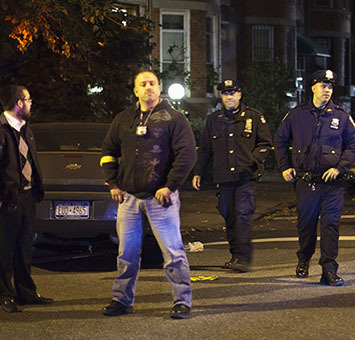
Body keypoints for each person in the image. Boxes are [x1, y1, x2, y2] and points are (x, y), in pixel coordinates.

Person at [100, 70, 196, 319]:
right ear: (135, 91)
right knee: (127, 253)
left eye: (152, 83)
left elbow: (187, 155)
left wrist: (170, 185)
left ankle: (182, 301)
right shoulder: (123, 119)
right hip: (129, 198)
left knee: (173, 252)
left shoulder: (173, 119)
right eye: (143, 84)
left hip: (160, 199)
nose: (148, 87)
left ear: (159, 88)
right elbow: (108, 151)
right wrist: (113, 183)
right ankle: (121, 299)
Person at [274, 69, 355, 286]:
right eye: (323, 86)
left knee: (331, 224)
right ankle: (304, 258)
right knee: (306, 225)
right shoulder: (296, 115)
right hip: (306, 181)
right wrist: (285, 167)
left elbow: (354, 144)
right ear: (313, 87)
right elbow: (280, 140)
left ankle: (329, 270)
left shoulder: (340, 116)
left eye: (330, 87)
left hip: (333, 183)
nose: (327, 91)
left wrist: (340, 168)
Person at [0, 85, 53, 313]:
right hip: (8, 200)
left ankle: (26, 292)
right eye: (28, 99)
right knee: (5, 250)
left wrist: (36, 189)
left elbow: (29, 160)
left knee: (24, 248)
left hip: (27, 197)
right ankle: (5, 295)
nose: (31, 103)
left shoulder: (24, 129)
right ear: (19, 102)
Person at [192, 79, 272, 273]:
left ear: (240, 95)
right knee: (229, 215)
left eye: (233, 93)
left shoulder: (253, 117)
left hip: (245, 177)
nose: (229, 97)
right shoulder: (214, 120)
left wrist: (252, 160)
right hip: (223, 178)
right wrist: (198, 173)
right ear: (222, 96)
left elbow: (265, 143)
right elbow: (205, 150)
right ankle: (236, 254)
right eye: (226, 94)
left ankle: (244, 257)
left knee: (243, 215)